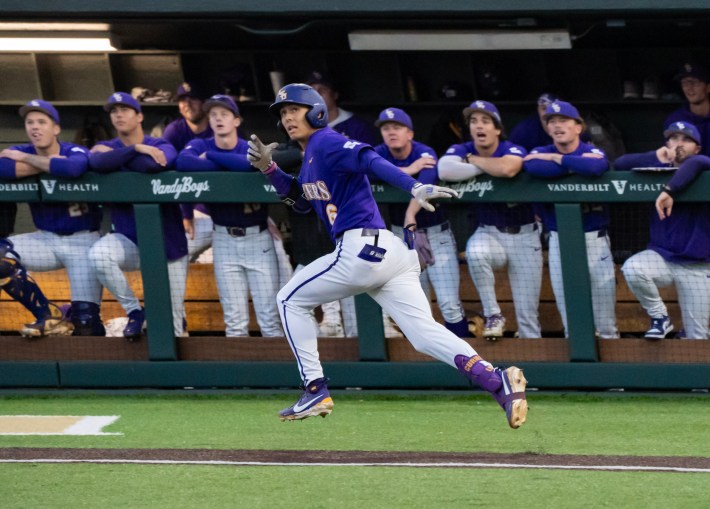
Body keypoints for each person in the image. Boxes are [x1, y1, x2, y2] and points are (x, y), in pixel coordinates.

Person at [246, 83, 528, 428]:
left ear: (316, 111)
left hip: (360, 246)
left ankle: (315, 387)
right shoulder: (310, 159)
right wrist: (270, 170)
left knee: (289, 299)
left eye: (294, 109)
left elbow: (368, 158)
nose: (288, 117)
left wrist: (413, 185)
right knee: (424, 334)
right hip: (388, 253)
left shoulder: (328, 140)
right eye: (283, 113)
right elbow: (303, 203)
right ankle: (495, 380)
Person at [176, 94, 283, 337]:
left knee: (269, 320)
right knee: (235, 323)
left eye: (224, 114)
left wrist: (213, 158)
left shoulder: (248, 146)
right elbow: (183, 163)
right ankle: (243, 375)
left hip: (258, 239)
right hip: (224, 239)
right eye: (213, 115)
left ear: (237, 120)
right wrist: (186, 211)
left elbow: (249, 164)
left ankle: (277, 374)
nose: (218, 119)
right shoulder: (201, 144)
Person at [0, 99, 104, 337]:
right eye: (29, 122)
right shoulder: (23, 150)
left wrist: (26, 160)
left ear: (56, 128)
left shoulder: (73, 150)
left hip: (83, 243)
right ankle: (48, 315)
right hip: (44, 241)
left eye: (41, 122)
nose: (35, 127)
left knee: (86, 324)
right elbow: (2, 168)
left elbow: (74, 168)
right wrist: (49, 164)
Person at [88, 92, 187, 340]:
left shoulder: (159, 143)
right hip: (129, 240)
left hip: (168, 246)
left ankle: (182, 379)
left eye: (125, 109)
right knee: (99, 255)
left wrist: (121, 157)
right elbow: (96, 162)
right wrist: (135, 149)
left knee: (172, 318)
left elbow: (154, 165)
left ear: (139, 115)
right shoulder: (113, 146)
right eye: (113, 111)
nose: (118, 114)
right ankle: (135, 311)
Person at [438, 100, 542, 339]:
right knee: (475, 252)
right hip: (489, 233)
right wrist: (487, 167)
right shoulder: (461, 148)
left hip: (524, 235)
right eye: (473, 121)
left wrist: (474, 161)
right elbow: (444, 170)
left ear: (497, 128)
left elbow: (509, 168)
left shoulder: (510, 147)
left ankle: (534, 362)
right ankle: (493, 313)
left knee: (528, 317)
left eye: (485, 121)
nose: (479, 126)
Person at [523, 100, 618, 339]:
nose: (557, 126)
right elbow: (533, 166)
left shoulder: (591, 149)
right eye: (551, 122)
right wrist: (573, 166)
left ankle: (613, 375)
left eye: (563, 120)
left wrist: (559, 160)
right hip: (559, 240)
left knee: (605, 321)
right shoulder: (540, 152)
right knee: (570, 317)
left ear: (578, 127)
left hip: (594, 239)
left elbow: (597, 165)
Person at [373, 107, 469, 338]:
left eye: (397, 127)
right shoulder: (378, 153)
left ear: (410, 133)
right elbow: (363, 172)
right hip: (401, 236)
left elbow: (425, 185)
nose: (391, 132)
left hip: (436, 234)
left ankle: (466, 361)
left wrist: (410, 213)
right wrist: (408, 170)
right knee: (416, 307)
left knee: (449, 304)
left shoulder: (424, 152)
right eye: (386, 128)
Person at [300, 70, 380, 337]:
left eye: (321, 90)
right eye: (310, 91)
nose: (317, 96)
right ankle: (331, 326)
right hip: (323, 216)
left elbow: (372, 162)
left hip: (360, 217)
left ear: (333, 95)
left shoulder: (356, 126)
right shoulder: (303, 132)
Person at [615, 121, 710, 339]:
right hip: (663, 258)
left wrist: (670, 190)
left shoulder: (703, 167)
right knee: (633, 268)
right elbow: (620, 163)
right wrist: (656, 156)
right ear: (666, 144)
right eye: (674, 138)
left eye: (686, 139)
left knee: (697, 338)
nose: (679, 143)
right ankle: (660, 317)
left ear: (697, 147)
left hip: (698, 265)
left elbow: (698, 162)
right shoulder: (657, 171)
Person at [162, 81, 215, 263]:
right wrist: (185, 214)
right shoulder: (174, 131)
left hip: (227, 209)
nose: (187, 104)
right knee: (173, 253)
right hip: (195, 212)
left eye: (192, 99)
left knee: (275, 244)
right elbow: (172, 174)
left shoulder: (221, 126)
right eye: (182, 100)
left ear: (204, 103)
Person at [664, 62, 710, 156]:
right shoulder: (676, 119)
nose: (689, 88)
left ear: (708, 87)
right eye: (685, 83)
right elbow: (670, 158)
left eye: (695, 83)